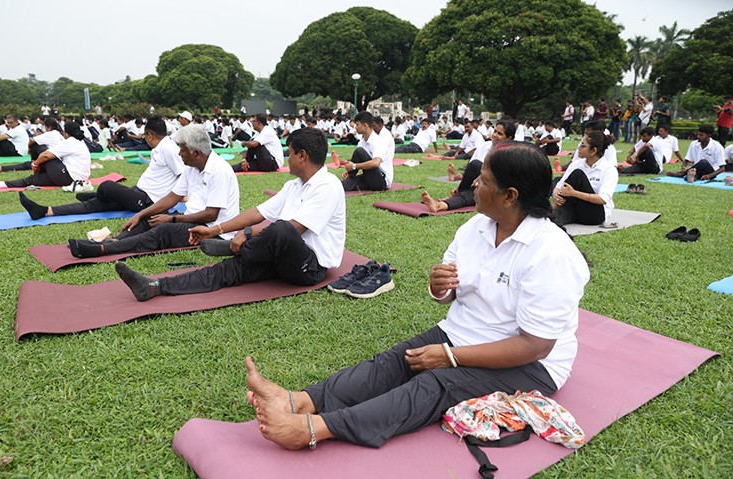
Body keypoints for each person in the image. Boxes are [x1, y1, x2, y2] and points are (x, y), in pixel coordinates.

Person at [242, 141, 590, 451]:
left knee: (436, 384)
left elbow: (535, 345)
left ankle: (315, 429)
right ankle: (301, 401)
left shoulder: (551, 253)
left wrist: (452, 357)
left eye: (483, 181)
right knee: (395, 361)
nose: (472, 185)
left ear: (510, 196)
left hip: (531, 364)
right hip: (462, 333)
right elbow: (447, 296)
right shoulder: (475, 228)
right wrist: (439, 288)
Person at [114, 127, 345, 301]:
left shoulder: (328, 186)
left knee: (282, 227)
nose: (287, 158)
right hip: (280, 255)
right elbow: (258, 212)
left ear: (302, 156)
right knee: (227, 270)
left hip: (309, 267)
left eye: (291, 153)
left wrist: (246, 234)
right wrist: (215, 230)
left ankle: (238, 247)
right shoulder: (293, 186)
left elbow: (294, 229)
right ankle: (154, 287)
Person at [67, 124, 239, 258]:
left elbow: (211, 215)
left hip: (213, 231)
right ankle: (116, 241)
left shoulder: (219, 171)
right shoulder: (192, 167)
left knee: (163, 230)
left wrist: (172, 219)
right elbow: (172, 197)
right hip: (194, 222)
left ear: (196, 153)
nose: (179, 154)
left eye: (182, 150)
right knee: (151, 219)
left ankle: (105, 249)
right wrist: (140, 215)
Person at [19, 117, 184, 220]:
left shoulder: (168, 148)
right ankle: (45, 211)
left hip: (147, 201)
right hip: (137, 194)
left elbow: (183, 174)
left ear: (150, 135)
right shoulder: (161, 147)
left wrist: (183, 197)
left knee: (106, 186)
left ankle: (100, 193)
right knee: (94, 205)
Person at [422, 119, 513, 213]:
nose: (494, 135)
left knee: (475, 179)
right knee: (471, 192)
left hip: (496, 186)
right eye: (495, 131)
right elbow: (471, 170)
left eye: (499, 134)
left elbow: (501, 176)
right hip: (481, 182)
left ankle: (449, 198)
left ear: (509, 138)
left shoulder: (510, 153)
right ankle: (439, 205)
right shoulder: (485, 146)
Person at [0, 122, 89, 190]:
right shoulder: (78, 142)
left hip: (69, 177)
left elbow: (46, 155)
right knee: (32, 180)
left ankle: (34, 166)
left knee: (41, 149)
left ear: (65, 133)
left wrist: (35, 164)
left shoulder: (71, 141)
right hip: (70, 178)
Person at [553, 130, 618, 226]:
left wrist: (574, 193)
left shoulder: (609, 169)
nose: (579, 148)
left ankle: (555, 209)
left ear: (593, 151)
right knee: (549, 221)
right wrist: (556, 195)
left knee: (578, 174)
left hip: (594, 214)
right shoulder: (576, 164)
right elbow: (560, 185)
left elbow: (602, 199)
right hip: (573, 208)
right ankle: (554, 210)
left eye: (583, 146)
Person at [336, 111, 393, 192]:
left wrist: (354, 166)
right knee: (342, 185)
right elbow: (359, 160)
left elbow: (375, 163)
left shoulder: (378, 141)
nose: (355, 127)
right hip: (369, 177)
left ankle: (351, 174)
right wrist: (349, 168)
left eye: (357, 124)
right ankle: (350, 175)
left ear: (365, 125)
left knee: (359, 152)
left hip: (381, 180)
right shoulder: (362, 142)